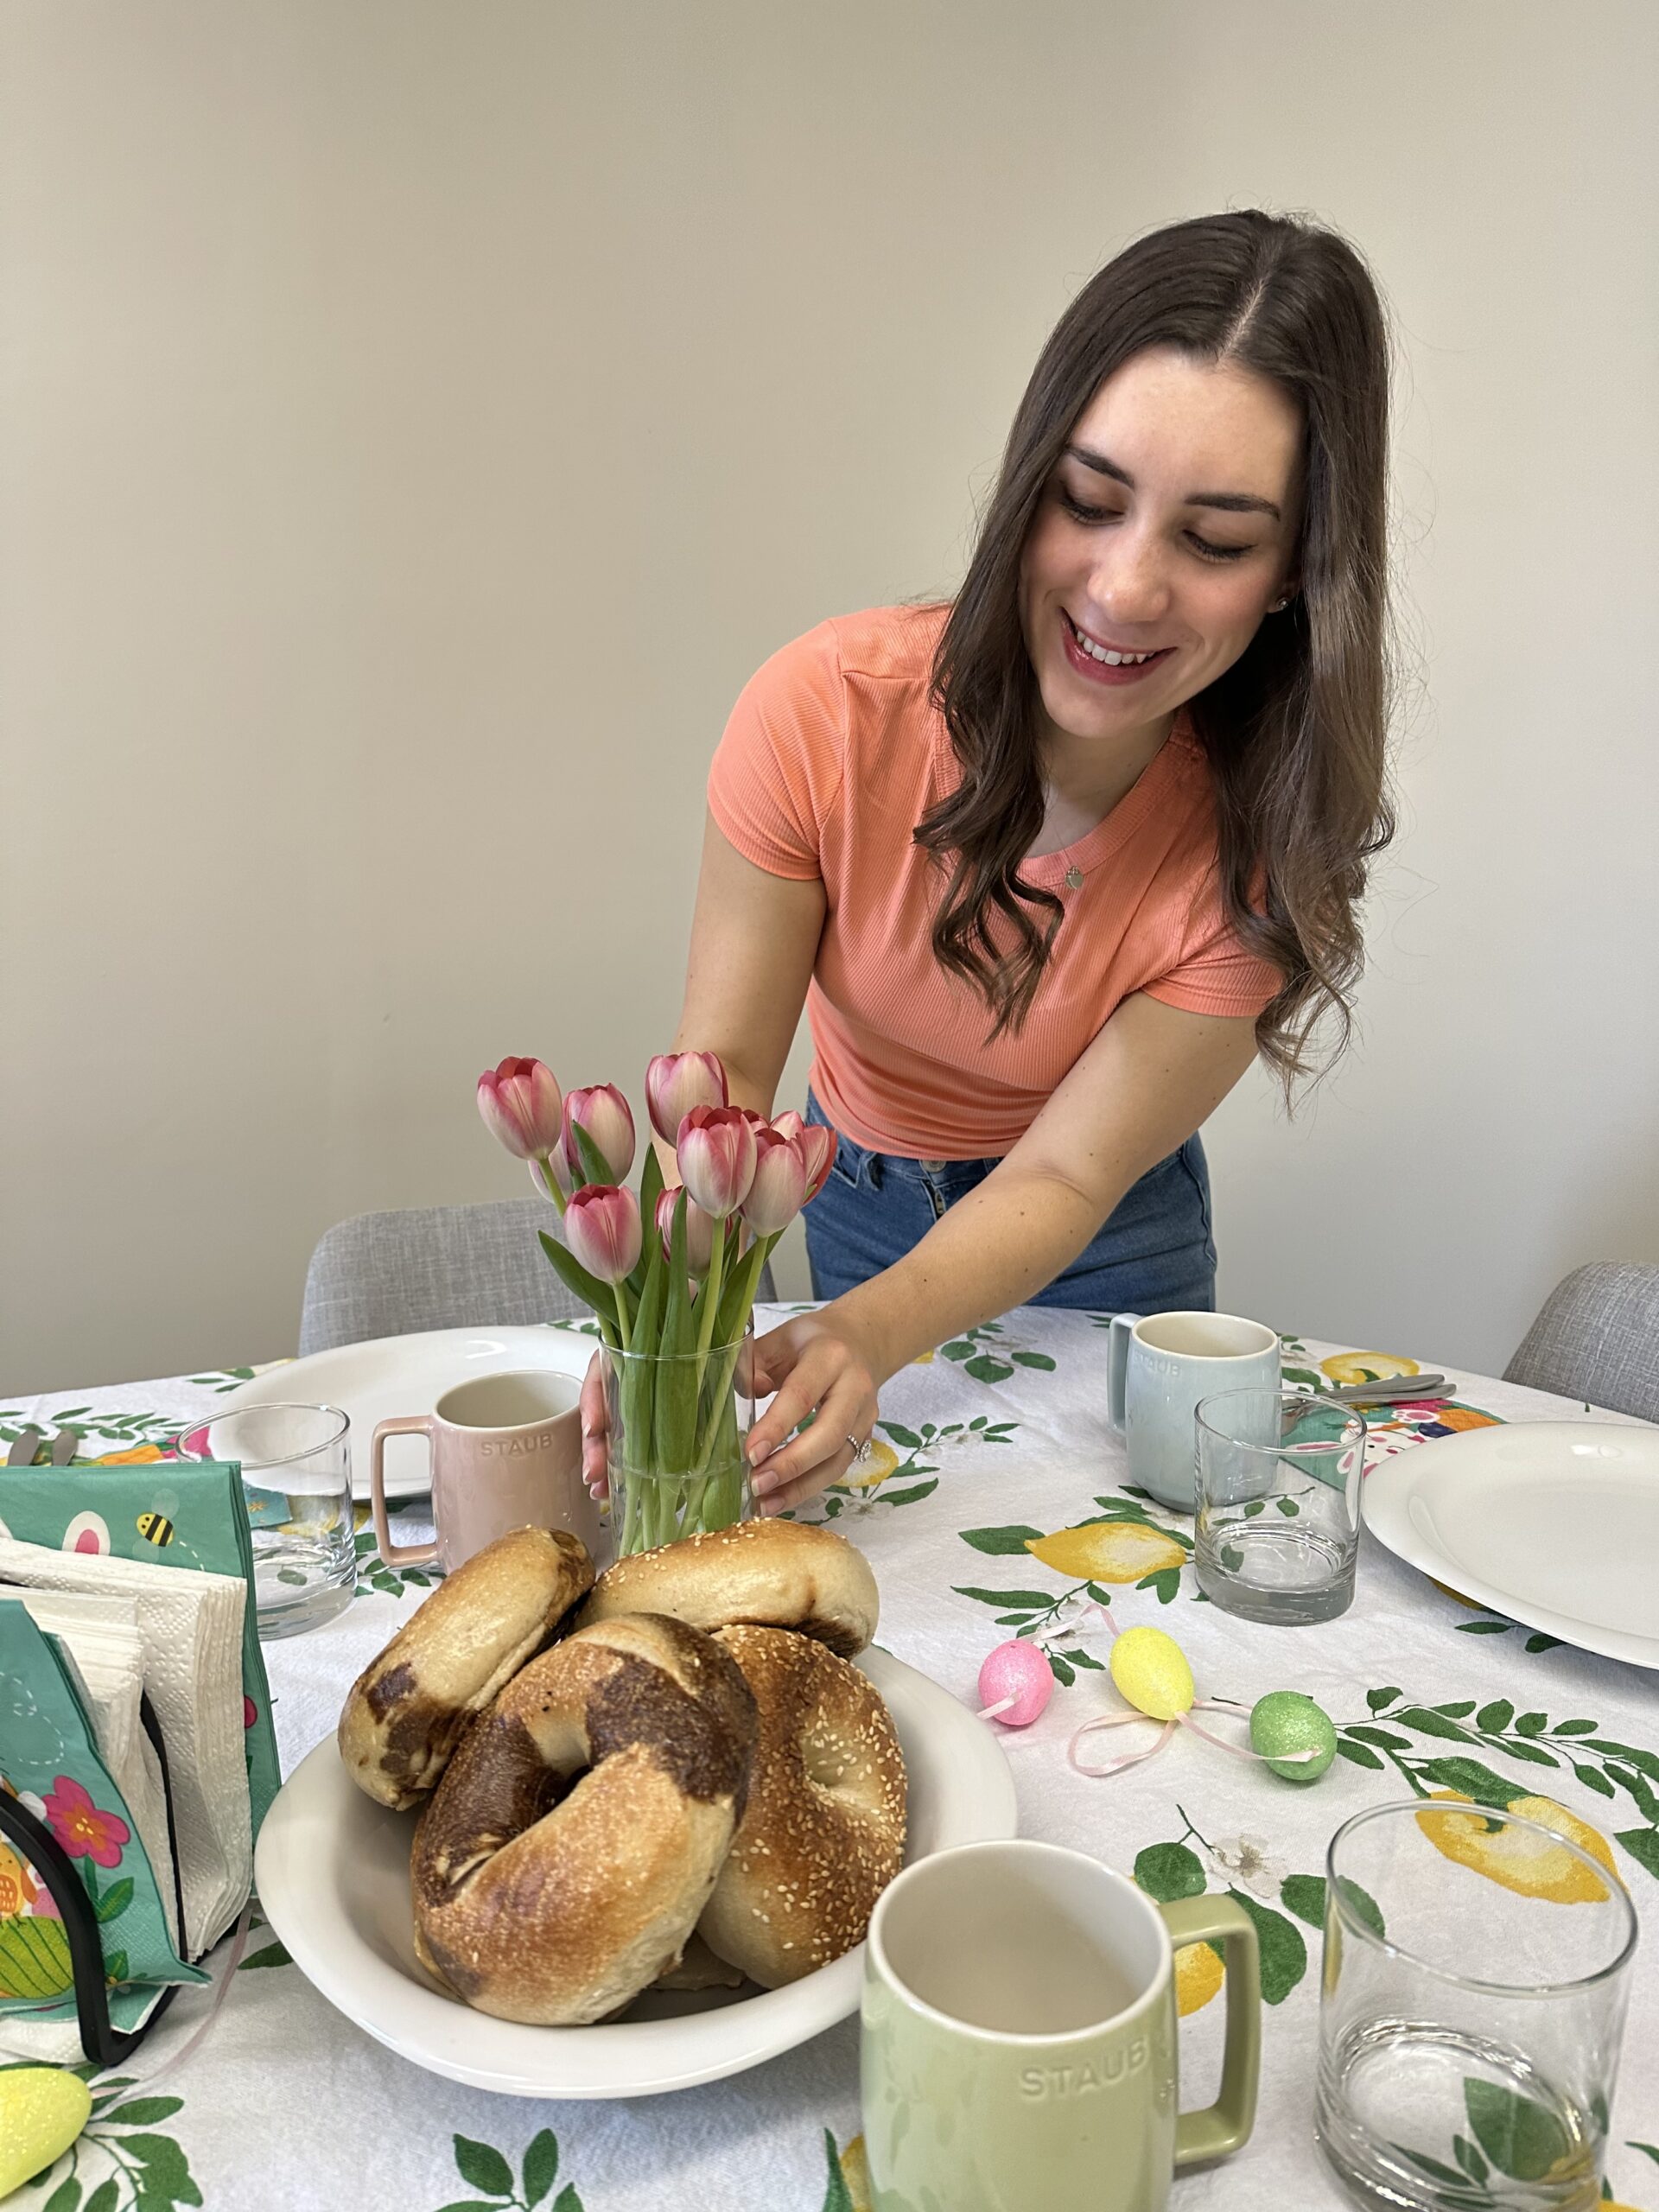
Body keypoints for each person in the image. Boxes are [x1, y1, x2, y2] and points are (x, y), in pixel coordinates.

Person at [584, 208, 1394, 1517]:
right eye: (1089, 500)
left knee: (1106, 1576)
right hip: (843, 1193)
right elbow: (722, 1078)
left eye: (1217, 540)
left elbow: (1067, 1176)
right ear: (1028, 484)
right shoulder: (824, 712)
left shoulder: (1260, 854)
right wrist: (663, 1332)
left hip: (1106, 1239)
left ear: (1296, 571)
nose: (1126, 591)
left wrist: (874, 1330)